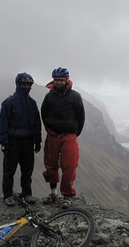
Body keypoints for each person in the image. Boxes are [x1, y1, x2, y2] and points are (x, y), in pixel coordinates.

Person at [41, 67, 85, 208]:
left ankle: (67, 195)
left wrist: (74, 133)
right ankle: (53, 192)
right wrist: (49, 128)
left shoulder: (75, 96)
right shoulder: (49, 97)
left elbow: (81, 117)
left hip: (69, 136)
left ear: (67, 80)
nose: (58, 82)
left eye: (61, 80)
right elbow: (44, 113)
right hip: (52, 135)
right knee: (51, 164)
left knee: (69, 165)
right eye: (56, 80)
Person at [0, 72, 42, 206]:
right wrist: (3, 141)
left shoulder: (32, 103)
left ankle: (27, 194)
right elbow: (2, 123)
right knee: (9, 170)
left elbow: (36, 123)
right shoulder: (8, 102)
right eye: (23, 84)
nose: (26, 87)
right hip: (13, 141)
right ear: (18, 84)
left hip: (28, 142)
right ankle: (7, 195)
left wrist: (37, 140)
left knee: (27, 169)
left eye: (28, 84)